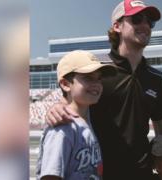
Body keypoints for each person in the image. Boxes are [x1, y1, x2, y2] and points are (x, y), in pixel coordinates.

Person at [46, 0, 162, 179]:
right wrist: (56, 107)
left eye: (150, 21)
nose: (145, 25)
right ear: (117, 26)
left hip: (142, 173)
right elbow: (70, 103)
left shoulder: (155, 77)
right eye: (137, 19)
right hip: (100, 173)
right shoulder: (99, 71)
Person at [36, 50, 116, 180]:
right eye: (88, 78)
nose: (96, 84)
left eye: (99, 78)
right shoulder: (62, 128)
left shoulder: (86, 118)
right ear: (66, 84)